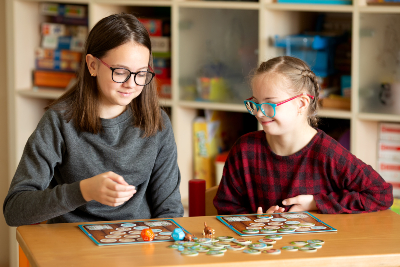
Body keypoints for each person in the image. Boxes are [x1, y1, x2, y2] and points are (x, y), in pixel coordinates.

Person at [4, 13, 183, 226]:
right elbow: (15, 209)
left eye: (141, 73)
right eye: (121, 71)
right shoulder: (59, 122)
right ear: (92, 65)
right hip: (73, 249)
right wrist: (83, 191)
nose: (131, 84)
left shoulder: (157, 122)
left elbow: (169, 211)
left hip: (138, 249)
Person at [213, 56, 393, 215]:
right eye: (256, 103)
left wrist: (315, 203)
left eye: (270, 104)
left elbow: (380, 194)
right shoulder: (244, 150)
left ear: (301, 103)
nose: (259, 114)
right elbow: (226, 208)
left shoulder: (328, 154)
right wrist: (256, 222)